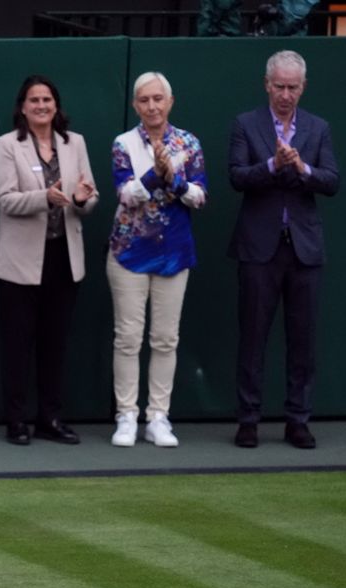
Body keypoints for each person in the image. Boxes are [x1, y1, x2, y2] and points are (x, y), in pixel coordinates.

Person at [228, 50, 339, 449]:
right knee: (253, 337)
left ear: (303, 88)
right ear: (267, 84)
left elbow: (331, 180)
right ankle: (248, 419)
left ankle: (298, 420)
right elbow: (237, 177)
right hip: (259, 247)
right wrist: (274, 165)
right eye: (279, 87)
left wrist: (302, 169)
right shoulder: (246, 124)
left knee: (303, 340)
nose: (286, 95)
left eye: (293, 88)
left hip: (305, 249)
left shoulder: (318, 128)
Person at [0, 75, 98, 446]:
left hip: (64, 258)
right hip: (19, 262)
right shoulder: (7, 145)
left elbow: (89, 197)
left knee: (55, 345)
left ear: (56, 105)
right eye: (34, 100)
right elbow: (5, 199)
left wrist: (82, 199)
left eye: (47, 100)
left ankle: (50, 418)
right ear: (22, 107)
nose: (41, 106)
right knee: (18, 345)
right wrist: (44, 198)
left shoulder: (74, 143)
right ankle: (16, 421)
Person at [107, 72, 207, 448]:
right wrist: (156, 175)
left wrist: (175, 181)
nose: (152, 106)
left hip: (174, 253)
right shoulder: (123, 143)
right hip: (129, 253)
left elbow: (200, 196)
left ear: (170, 102)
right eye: (144, 100)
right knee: (128, 338)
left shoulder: (188, 143)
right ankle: (127, 416)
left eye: (158, 99)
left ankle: (158, 417)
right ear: (135, 105)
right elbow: (126, 194)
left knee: (166, 339)